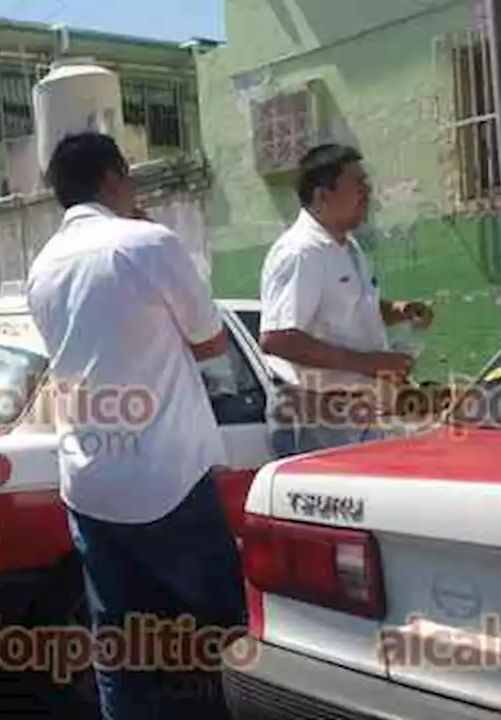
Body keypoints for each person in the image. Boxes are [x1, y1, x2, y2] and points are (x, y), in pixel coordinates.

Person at [25, 131, 244, 719]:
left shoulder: (41, 269)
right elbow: (211, 342)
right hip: (167, 476)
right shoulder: (148, 243)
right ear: (116, 176)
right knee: (225, 632)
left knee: (119, 648)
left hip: (90, 482)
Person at [259, 144, 434, 456]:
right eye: (357, 184)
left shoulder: (346, 247)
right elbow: (279, 339)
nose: (367, 193)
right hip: (314, 415)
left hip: (356, 411)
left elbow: (348, 308)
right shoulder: (301, 252)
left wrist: (398, 311)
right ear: (323, 195)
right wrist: (370, 364)